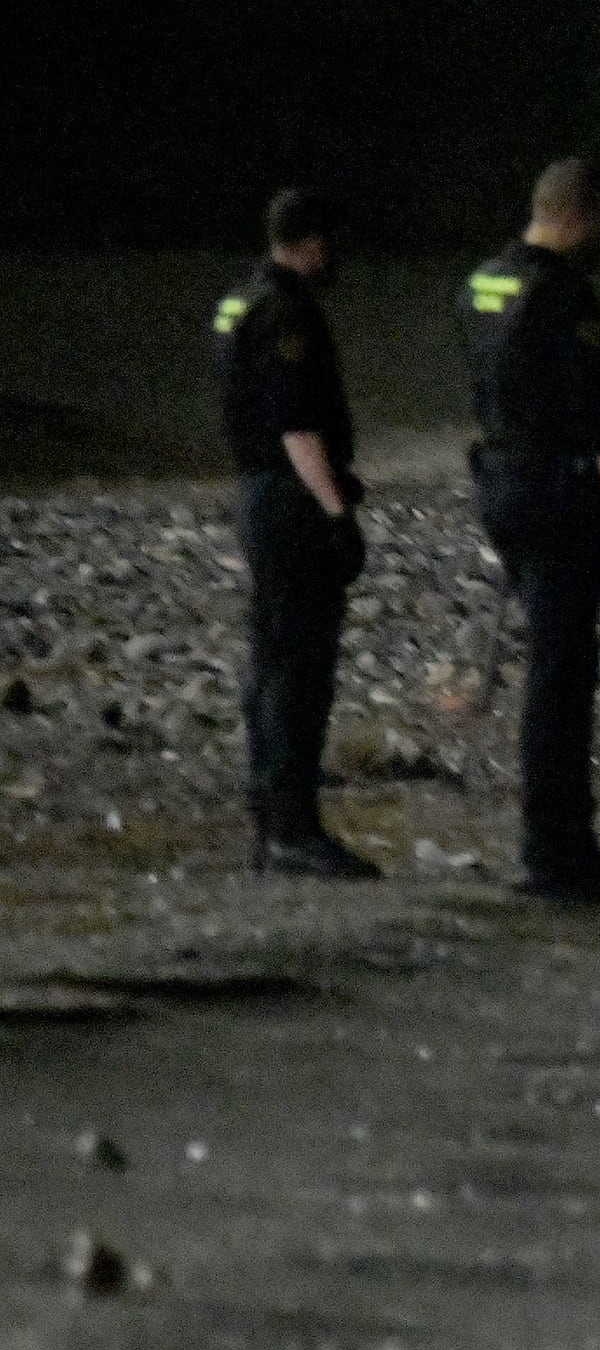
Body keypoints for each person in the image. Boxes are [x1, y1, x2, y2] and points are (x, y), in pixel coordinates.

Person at [461, 157, 600, 903]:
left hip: (501, 484)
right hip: (557, 496)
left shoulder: (481, 284)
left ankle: (555, 839)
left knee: (550, 665)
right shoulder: (568, 297)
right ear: (581, 216)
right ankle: (556, 846)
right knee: (562, 672)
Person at [215, 186, 379, 878]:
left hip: (257, 493)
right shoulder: (288, 313)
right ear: (312, 241)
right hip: (291, 501)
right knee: (301, 666)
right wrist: (336, 511)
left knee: (272, 655)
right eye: (331, 241)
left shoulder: (240, 299)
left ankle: (271, 813)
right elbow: (296, 426)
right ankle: (293, 828)